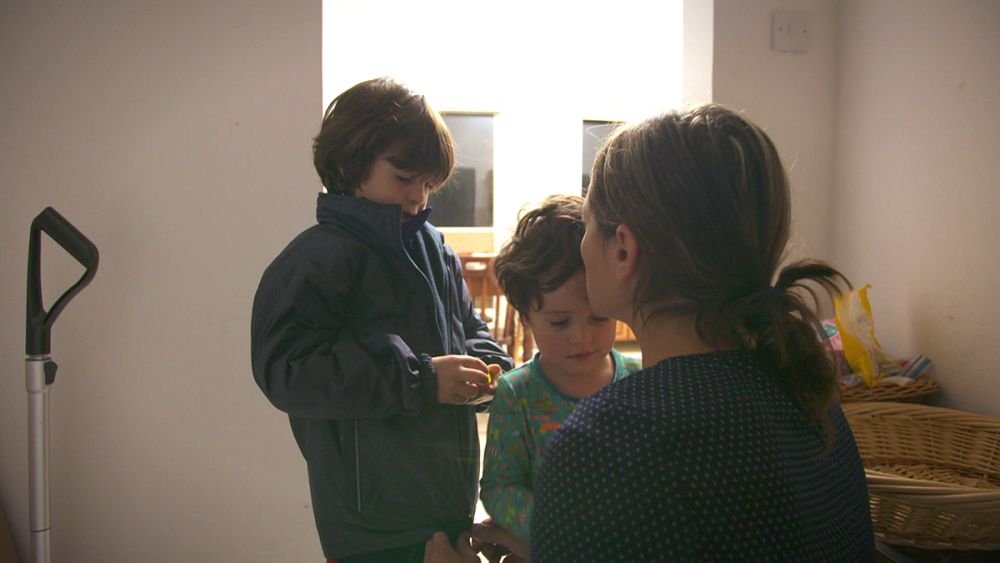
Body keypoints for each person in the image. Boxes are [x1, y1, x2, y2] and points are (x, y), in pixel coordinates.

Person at [528, 105, 876, 561]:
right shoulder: (808, 392)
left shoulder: (606, 443)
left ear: (623, 250)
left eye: (587, 225)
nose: (582, 244)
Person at [250, 77, 514, 562]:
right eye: (404, 177)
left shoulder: (434, 247)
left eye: (428, 183)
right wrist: (422, 379)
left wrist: (489, 367)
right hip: (371, 524)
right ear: (350, 166)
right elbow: (287, 371)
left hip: (448, 502)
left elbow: (467, 328)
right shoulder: (317, 258)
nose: (418, 197)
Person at [476, 195, 642, 560]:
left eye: (598, 318)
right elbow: (500, 488)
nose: (581, 337)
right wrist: (561, 529)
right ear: (526, 317)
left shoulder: (638, 381)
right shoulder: (517, 393)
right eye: (559, 322)